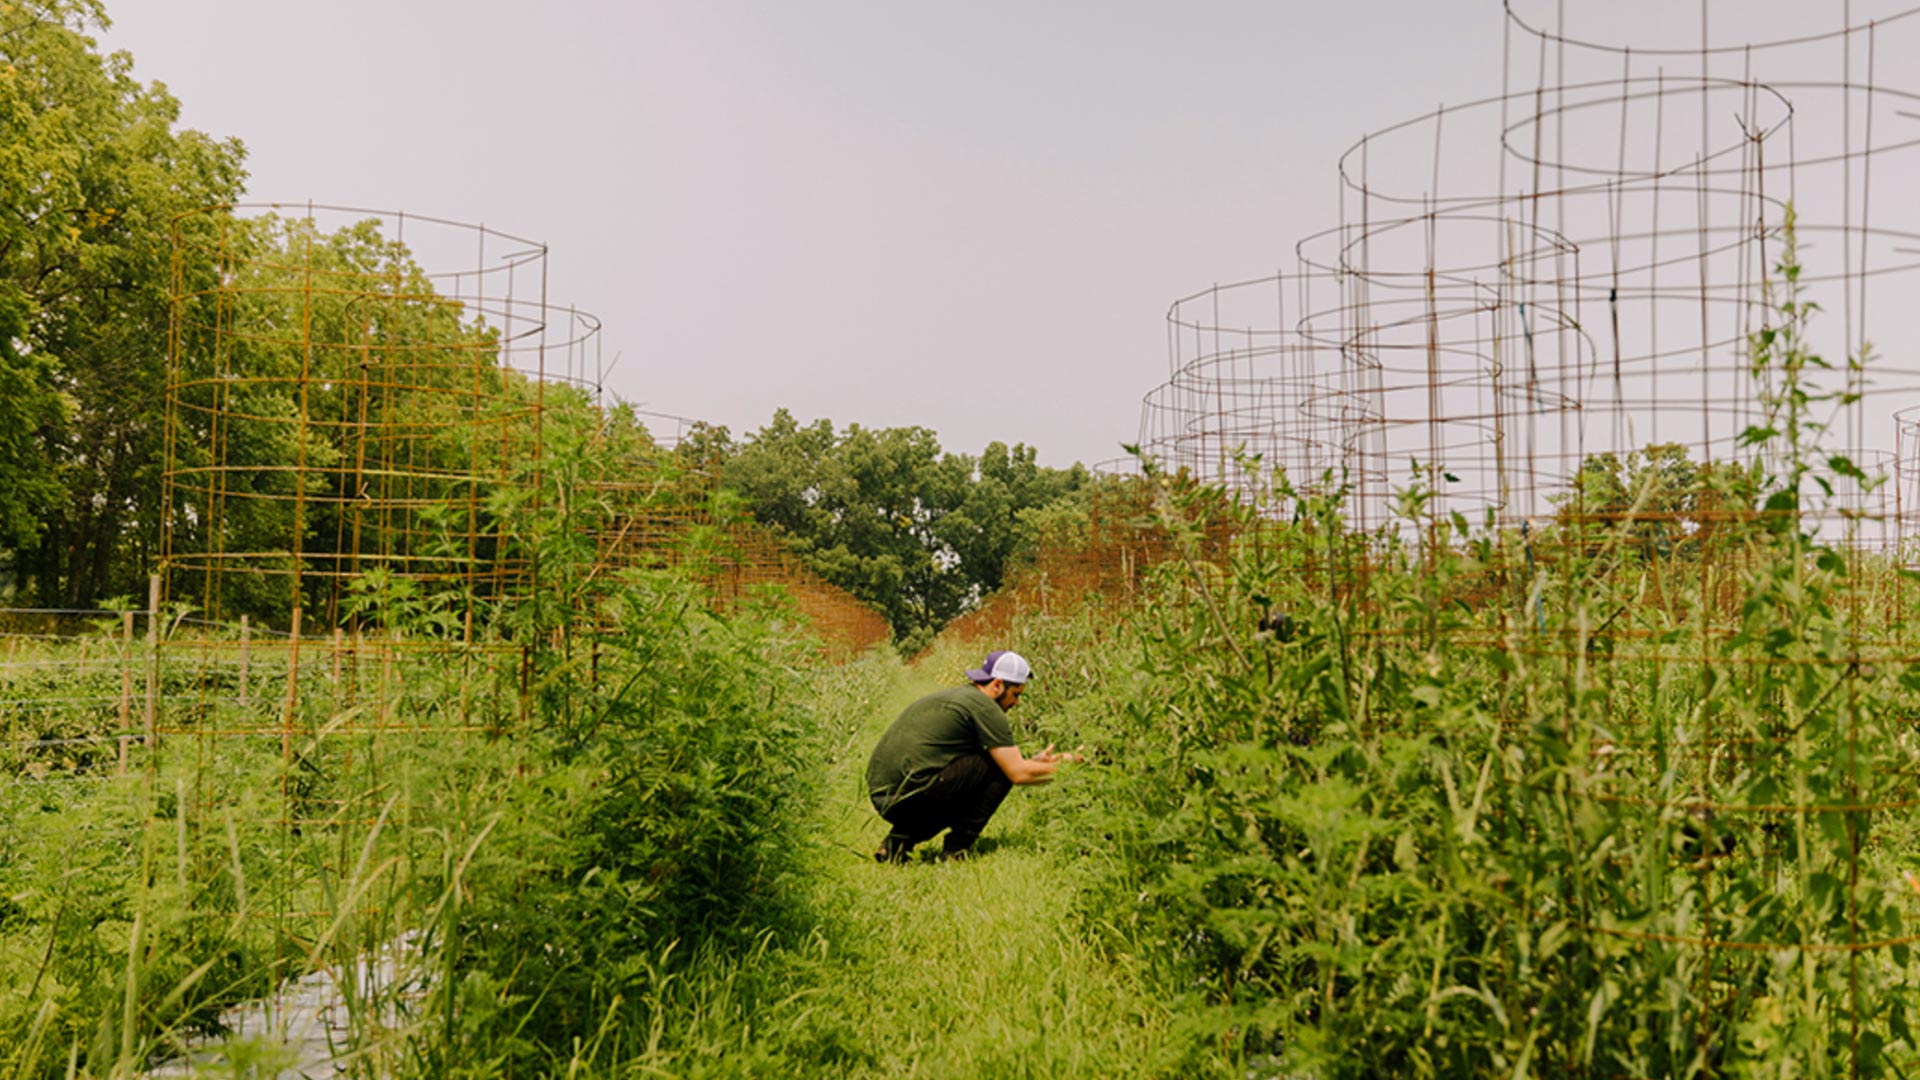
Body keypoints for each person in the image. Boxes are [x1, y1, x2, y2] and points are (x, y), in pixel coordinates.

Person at [864, 649, 1080, 863]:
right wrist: (1070, 765)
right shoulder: (986, 708)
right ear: (997, 685)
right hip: (911, 796)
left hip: (884, 796)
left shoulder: (960, 697)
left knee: (970, 772)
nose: (1016, 703)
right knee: (996, 769)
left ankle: (895, 845)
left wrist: (1032, 763)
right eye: (1015, 694)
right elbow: (1017, 774)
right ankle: (956, 851)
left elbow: (975, 769)